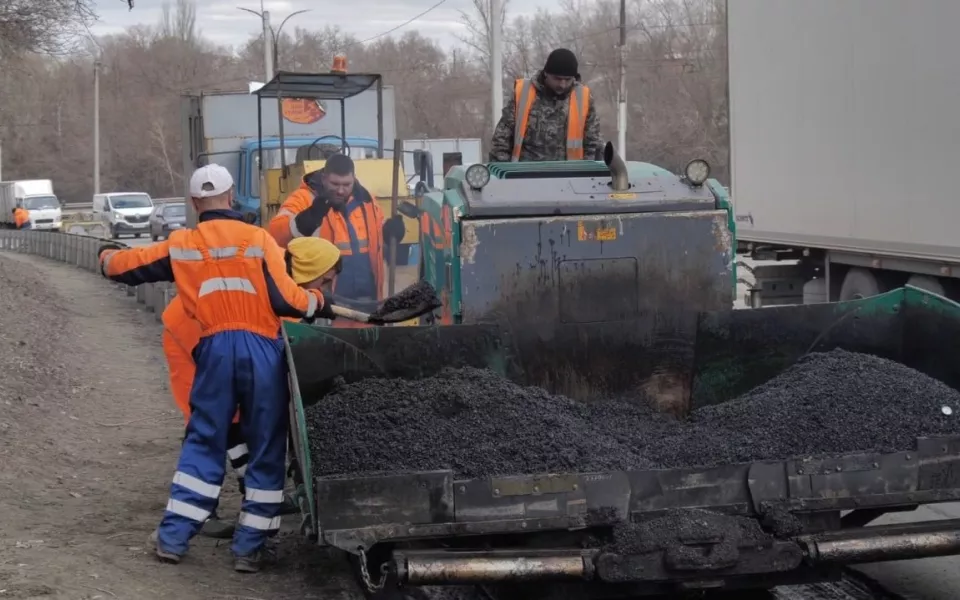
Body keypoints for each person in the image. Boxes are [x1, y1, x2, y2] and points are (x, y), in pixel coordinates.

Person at [97, 164, 335, 573]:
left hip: (213, 352)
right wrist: (318, 302)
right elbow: (287, 301)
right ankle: (250, 548)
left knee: (205, 440)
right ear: (231, 198)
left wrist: (105, 257)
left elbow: (127, 267)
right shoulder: (258, 239)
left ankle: (173, 538)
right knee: (266, 446)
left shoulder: (182, 244)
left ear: (194, 204)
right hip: (261, 349)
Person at [156, 236, 343, 539]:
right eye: (326, 279)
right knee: (210, 424)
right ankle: (201, 514)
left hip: (223, 340)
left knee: (236, 421)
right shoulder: (273, 281)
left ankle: (252, 492)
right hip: (192, 337)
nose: (325, 287)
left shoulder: (280, 275)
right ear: (311, 270)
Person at [267, 153, 405, 326]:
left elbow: (376, 231)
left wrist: (390, 231)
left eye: (346, 184)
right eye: (335, 184)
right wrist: (307, 219)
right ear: (324, 178)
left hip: (367, 304)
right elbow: (274, 235)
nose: (341, 190)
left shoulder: (366, 200)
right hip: (328, 307)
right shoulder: (304, 199)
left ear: (354, 179)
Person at [489, 48, 602, 163]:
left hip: (569, 176)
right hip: (525, 175)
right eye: (557, 79)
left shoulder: (583, 98)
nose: (562, 85)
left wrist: (589, 175)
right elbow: (501, 140)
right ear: (546, 73)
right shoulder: (523, 93)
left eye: (567, 80)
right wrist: (504, 175)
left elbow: (593, 144)